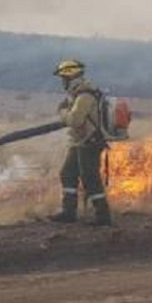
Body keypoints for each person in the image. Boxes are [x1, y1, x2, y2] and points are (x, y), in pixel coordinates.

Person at [50, 59, 112, 226]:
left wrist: (63, 112)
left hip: (90, 142)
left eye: (63, 78)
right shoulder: (77, 94)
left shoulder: (85, 95)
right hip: (80, 141)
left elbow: (75, 120)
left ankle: (103, 216)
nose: (62, 82)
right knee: (68, 174)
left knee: (90, 178)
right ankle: (68, 212)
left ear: (70, 77)